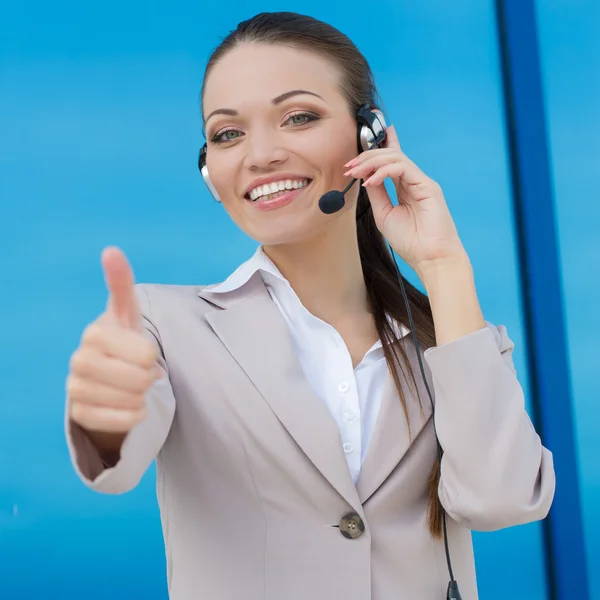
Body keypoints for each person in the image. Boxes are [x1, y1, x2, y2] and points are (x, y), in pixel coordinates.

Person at [64, 11, 555, 600]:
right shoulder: (163, 325)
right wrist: (104, 417)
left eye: (298, 117)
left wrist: (444, 266)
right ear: (209, 170)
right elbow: (113, 463)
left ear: (368, 134)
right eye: (227, 133)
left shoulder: (448, 339)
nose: (260, 154)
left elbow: (499, 501)